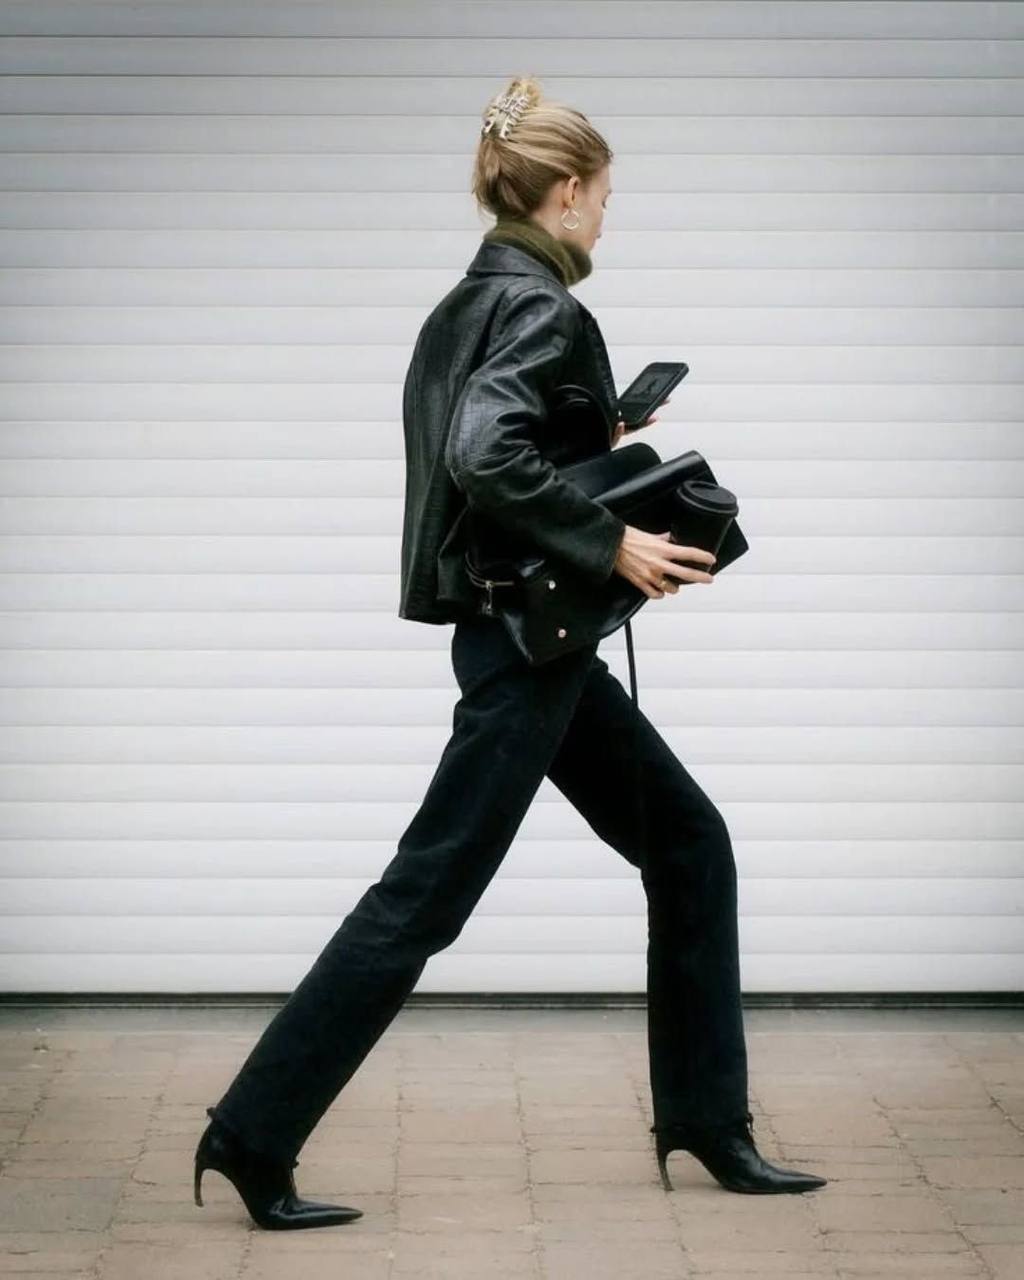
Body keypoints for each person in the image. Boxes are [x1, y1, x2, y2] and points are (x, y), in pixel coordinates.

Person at [192, 75, 827, 1231]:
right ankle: (251, 1129)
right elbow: (484, 453)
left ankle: (705, 1116)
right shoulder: (541, 306)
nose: (608, 219)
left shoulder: (471, 300)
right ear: (566, 190)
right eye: (606, 198)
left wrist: (599, 435)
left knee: (689, 845)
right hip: (525, 650)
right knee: (424, 894)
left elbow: (490, 438)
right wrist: (613, 538)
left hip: (531, 644)